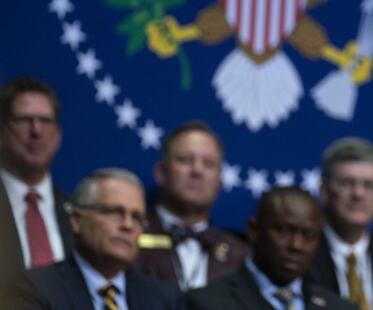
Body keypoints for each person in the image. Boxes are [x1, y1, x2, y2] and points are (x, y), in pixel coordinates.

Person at [4, 167, 185, 309]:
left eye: (137, 218)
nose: (127, 225)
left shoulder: (165, 301)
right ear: (76, 220)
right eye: (114, 212)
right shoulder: (34, 290)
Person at [186, 186, 357, 310]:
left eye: (308, 235)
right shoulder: (207, 303)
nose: (296, 246)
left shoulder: (340, 308)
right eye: (284, 231)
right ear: (254, 231)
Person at [134, 120, 250, 290]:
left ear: (220, 181)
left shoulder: (241, 255)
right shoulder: (129, 238)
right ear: (161, 173)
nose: (197, 171)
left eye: (208, 163)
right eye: (185, 160)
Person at [308, 138, 373, 310]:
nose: (358, 193)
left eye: (369, 185)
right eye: (346, 183)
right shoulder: (301, 256)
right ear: (324, 191)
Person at [0, 76, 73, 288]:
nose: (36, 131)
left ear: (58, 135)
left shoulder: (76, 211)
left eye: (45, 121)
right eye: (24, 120)